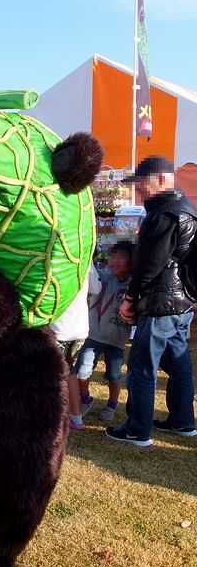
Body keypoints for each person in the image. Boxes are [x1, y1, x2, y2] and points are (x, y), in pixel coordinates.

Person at [106, 155, 197, 446]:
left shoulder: (164, 213)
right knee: (179, 364)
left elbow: (149, 265)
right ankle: (183, 421)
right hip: (182, 301)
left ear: (160, 179)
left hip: (160, 303)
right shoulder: (185, 207)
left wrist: (130, 297)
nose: (139, 189)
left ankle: (138, 429)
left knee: (142, 367)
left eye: (142, 183)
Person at [77, 242, 133, 422]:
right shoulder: (102, 276)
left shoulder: (133, 286)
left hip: (116, 341)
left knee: (114, 376)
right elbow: (89, 268)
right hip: (93, 336)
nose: (115, 261)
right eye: (113, 256)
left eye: (121, 258)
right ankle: (85, 398)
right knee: (82, 370)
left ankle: (112, 405)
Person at [50, 262, 101, 430]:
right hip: (79, 328)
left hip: (57, 327)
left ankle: (56, 416)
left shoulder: (54, 257)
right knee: (70, 372)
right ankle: (76, 417)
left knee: (53, 374)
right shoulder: (85, 259)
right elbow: (97, 288)